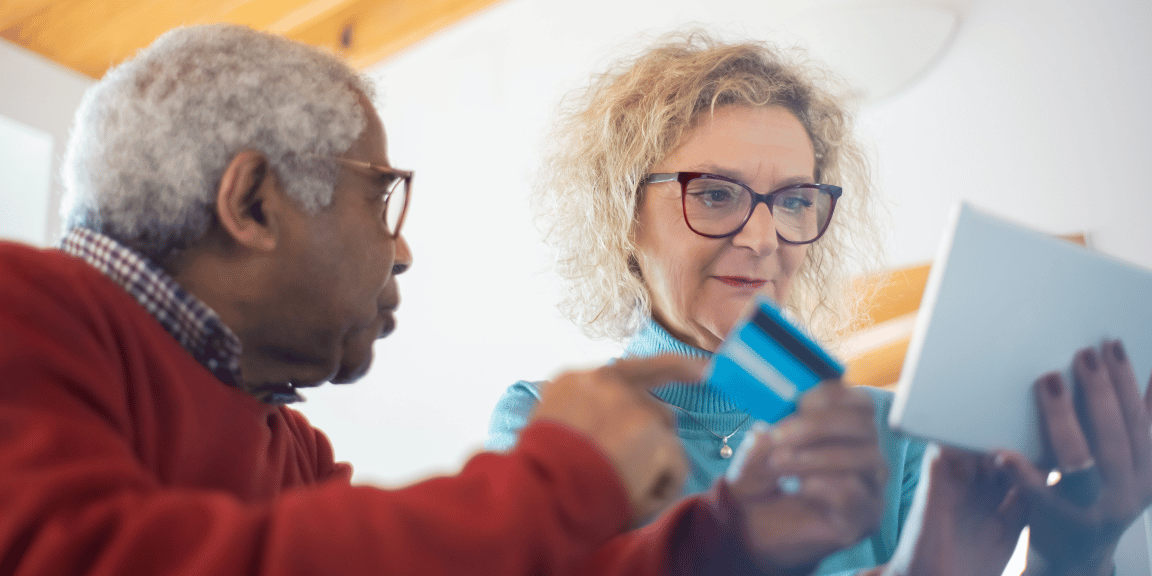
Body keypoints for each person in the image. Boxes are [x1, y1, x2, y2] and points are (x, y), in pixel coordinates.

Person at [0, 24, 890, 576]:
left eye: (793, 202)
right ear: (253, 204)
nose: (403, 247)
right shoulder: (19, 307)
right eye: (380, 195)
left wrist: (723, 540)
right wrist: (558, 477)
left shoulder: (286, 446)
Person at [488, 31, 1152, 576]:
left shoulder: (900, 433)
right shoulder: (549, 423)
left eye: (794, 201)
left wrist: (1075, 559)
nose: (763, 236)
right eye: (716, 194)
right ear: (623, 220)